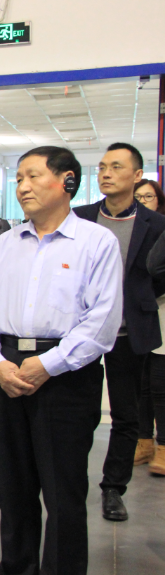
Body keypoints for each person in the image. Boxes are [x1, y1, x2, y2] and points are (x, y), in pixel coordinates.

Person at [0, 146, 122, 575]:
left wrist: (49, 364)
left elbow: (102, 322)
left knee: (63, 494)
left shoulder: (96, 242)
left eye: (33, 176)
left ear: (67, 181)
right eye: (19, 178)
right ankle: (17, 571)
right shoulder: (6, 244)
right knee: (13, 491)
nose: (22, 187)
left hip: (66, 378)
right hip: (8, 372)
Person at [73, 143, 165, 522]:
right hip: (83, 332)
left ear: (137, 175)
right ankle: (70, 480)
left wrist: (140, 300)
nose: (106, 173)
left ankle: (113, 488)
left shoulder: (156, 224)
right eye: (101, 167)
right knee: (80, 411)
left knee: (127, 415)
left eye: (115, 167)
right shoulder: (80, 217)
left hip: (129, 333)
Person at [134, 179, 165, 472]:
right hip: (139, 313)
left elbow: (155, 267)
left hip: (160, 308)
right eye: (139, 197)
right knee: (141, 382)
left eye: (148, 196)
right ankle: (143, 441)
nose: (143, 202)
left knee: (159, 383)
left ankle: (163, 445)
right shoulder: (132, 230)